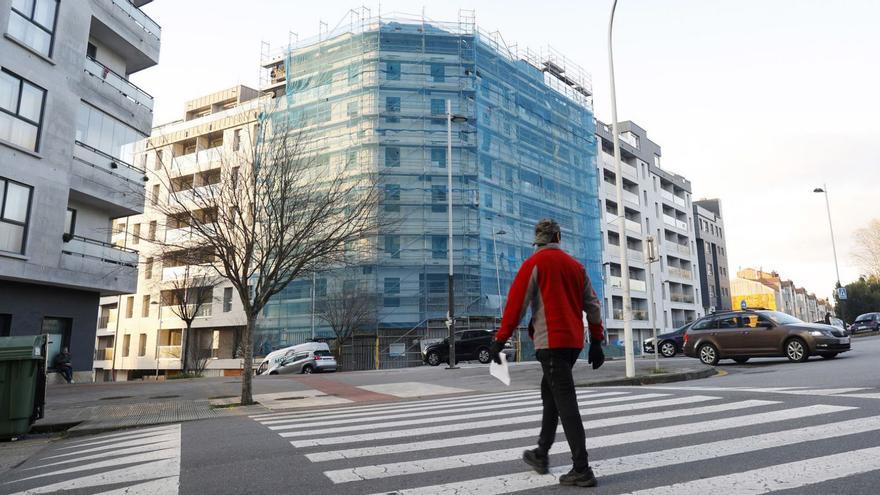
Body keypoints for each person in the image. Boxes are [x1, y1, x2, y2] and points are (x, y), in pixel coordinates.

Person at [490, 218, 605, 488]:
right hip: (573, 344)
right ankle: (541, 453)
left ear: (537, 240)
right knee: (551, 395)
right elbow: (593, 305)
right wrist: (597, 340)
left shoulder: (533, 264)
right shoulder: (576, 267)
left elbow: (516, 305)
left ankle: (582, 469)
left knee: (565, 402)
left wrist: (499, 340)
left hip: (550, 343)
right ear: (558, 237)